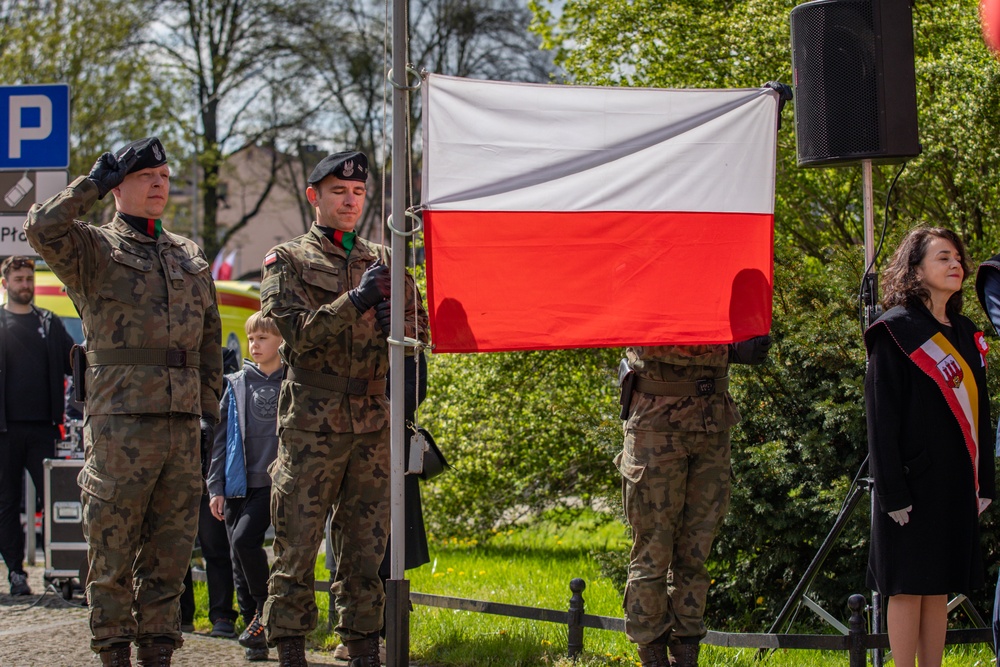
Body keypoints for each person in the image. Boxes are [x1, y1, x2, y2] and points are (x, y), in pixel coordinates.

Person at [24, 137, 224, 667]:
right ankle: (112, 651)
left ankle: (159, 650)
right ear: (120, 189)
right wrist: (92, 183)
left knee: (171, 554)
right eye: (145, 177)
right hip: (119, 428)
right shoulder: (92, 249)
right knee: (111, 551)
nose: (158, 184)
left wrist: (210, 416)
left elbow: (208, 341)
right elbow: (41, 227)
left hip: (182, 428)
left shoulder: (189, 256)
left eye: (163, 175)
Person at [259, 150, 428, 667]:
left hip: (374, 423)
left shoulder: (386, 259)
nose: (350, 201)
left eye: (357, 193)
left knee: (365, 548)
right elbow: (293, 333)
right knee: (297, 544)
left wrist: (395, 328)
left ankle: (361, 647)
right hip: (313, 423)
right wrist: (353, 302)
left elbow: (420, 332)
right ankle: (289, 646)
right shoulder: (286, 259)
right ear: (315, 197)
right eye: (338, 192)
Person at [865, 226, 994, 667]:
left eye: (958, 257)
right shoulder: (895, 330)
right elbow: (881, 418)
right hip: (910, 482)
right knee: (906, 586)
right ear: (915, 269)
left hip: (954, 479)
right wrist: (892, 491)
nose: (956, 264)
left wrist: (985, 482)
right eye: (943, 257)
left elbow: (983, 412)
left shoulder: (965, 330)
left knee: (937, 583)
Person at [617, 335, 770, 667]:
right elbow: (651, 338)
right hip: (656, 426)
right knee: (653, 550)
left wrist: (745, 339)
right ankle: (653, 656)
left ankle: (687, 654)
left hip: (712, 422)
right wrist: (725, 348)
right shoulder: (644, 283)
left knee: (696, 551)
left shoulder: (717, 284)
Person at [330, 350, 431, 662]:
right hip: (344, 443)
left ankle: (381, 636)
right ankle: (352, 632)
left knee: (386, 551)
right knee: (346, 547)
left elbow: (410, 395)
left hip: (388, 449)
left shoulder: (404, 343)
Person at [206, 311, 284, 662]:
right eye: (251, 339)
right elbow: (220, 441)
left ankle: (267, 609)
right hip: (239, 484)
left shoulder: (292, 380)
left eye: (262, 338)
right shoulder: (237, 383)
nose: (254, 345)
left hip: (274, 483)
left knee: (244, 541)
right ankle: (257, 633)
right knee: (238, 559)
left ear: (281, 341)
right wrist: (215, 487)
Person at [0, 256, 75, 596]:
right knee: (6, 501)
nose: (25, 285)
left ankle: (58, 570)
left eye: (29, 278)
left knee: (55, 500)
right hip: (4, 431)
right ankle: (16, 572)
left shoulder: (49, 322)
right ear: (5, 284)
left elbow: (74, 365)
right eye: (18, 279)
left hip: (44, 428)